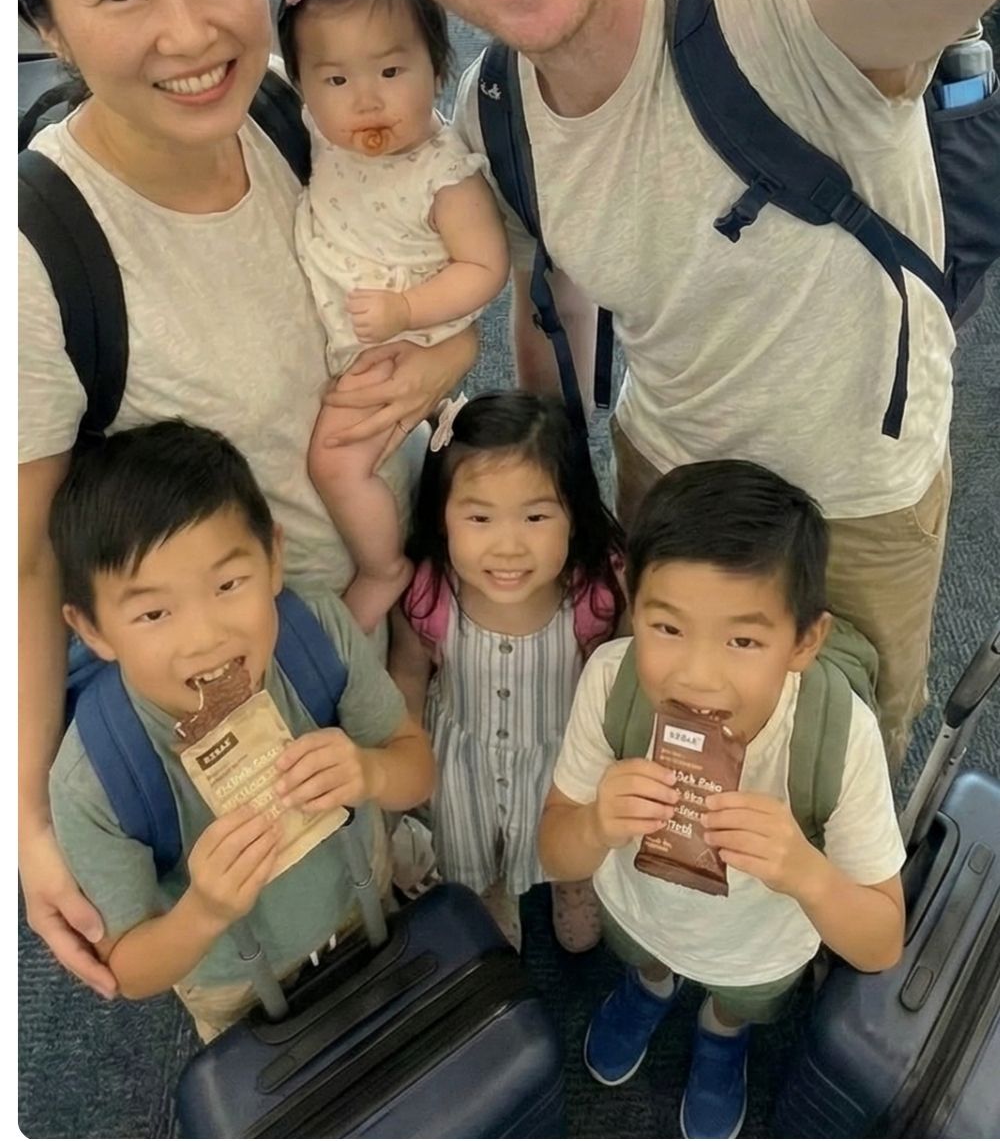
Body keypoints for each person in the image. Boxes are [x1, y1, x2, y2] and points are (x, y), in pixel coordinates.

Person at [308, 0, 1000, 776]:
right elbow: (554, 295)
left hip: (849, 513)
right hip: (661, 475)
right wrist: (558, 481)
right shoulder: (494, 111)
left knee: (831, 791)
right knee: (670, 769)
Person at [18, 0, 475, 1000]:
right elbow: (28, 564)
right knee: (279, 927)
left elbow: (409, 263)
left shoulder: (286, 100)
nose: (186, 31)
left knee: (399, 797)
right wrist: (27, 820)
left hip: (379, 556)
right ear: (42, 25)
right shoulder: (43, 253)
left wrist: (438, 366)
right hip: (247, 648)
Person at [538, 460, 905, 1141]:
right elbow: (555, 848)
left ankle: (721, 1034)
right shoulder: (610, 682)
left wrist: (805, 871)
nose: (697, 676)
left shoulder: (838, 734)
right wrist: (594, 823)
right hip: (638, 912)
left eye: (743, 640)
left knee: (742, 1003)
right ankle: (648, 988)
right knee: (643, 958)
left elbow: (882, 942)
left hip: (759, 954)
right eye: (667, 628)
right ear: (631, 599)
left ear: (804, 642)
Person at [46, 420, 436, 1042]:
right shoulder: (93, 776)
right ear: (92, 630)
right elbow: (130, 968)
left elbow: (415, 768)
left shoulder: (318, 636)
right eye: (153, 612)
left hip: (366, 895)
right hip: (233, 987)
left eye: (228, 584)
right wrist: (203, 912)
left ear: (274, 558)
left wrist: (370, 771)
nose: (205, 638)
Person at [275, 0, 508, 632]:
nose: (366, 101)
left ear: (436, 67)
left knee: (336, 462)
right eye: (336, 81)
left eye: (391, 70)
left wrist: (408, 307)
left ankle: (383, 568)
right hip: (348, 327)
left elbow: (485, 268)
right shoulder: (321, 131)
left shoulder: (442, 173)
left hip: (392, 341)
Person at [389, 390, 626, 952]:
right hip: (461, 762)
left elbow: (618, 680)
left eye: (537, 515)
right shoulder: (429, 591)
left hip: (558, 760)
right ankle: (490, 897)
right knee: (470, 849)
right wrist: (407, 750)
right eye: (479, 517)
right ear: (443, 518)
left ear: (575, 511)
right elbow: (408, 675)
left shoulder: (594, 592)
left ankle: (572, 882)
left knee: (559, 835)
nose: (509, 545)